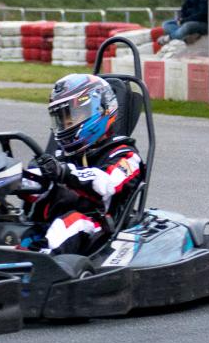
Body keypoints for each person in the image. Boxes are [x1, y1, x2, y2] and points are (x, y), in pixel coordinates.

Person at [19, 74, 144, 256]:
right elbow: (41, 182)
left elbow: (106, 185)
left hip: (98, 227)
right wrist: (16, 181)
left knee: (70, 223)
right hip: (54, 224)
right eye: (61, 118)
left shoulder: (126, 155)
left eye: (72, 115)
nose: (66, 123)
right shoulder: (63, 155)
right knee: (20, 229)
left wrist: (64, 172)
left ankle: (42, 265)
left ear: (100, 110)